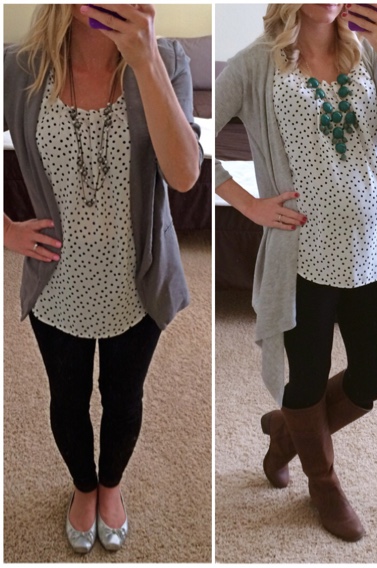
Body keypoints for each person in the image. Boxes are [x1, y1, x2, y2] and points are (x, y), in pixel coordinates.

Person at [215, 3, 377, 541]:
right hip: (303, 256)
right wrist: (247, 203)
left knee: (373, 377)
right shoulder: (256, 63)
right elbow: (190, 139)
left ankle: (286, 434)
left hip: (373, 250)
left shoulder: (368, 51)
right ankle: (324, 482)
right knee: (304, 378)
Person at [4, 4, 202, 554]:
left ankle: (109, 486)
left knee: (123, 397)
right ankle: (83, 487)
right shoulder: (20, 67)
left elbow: (184, 175)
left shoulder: (167, 60)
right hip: (56, 284)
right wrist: (6, 230)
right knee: (67, 400)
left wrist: (145, 62)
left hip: (139, 283)